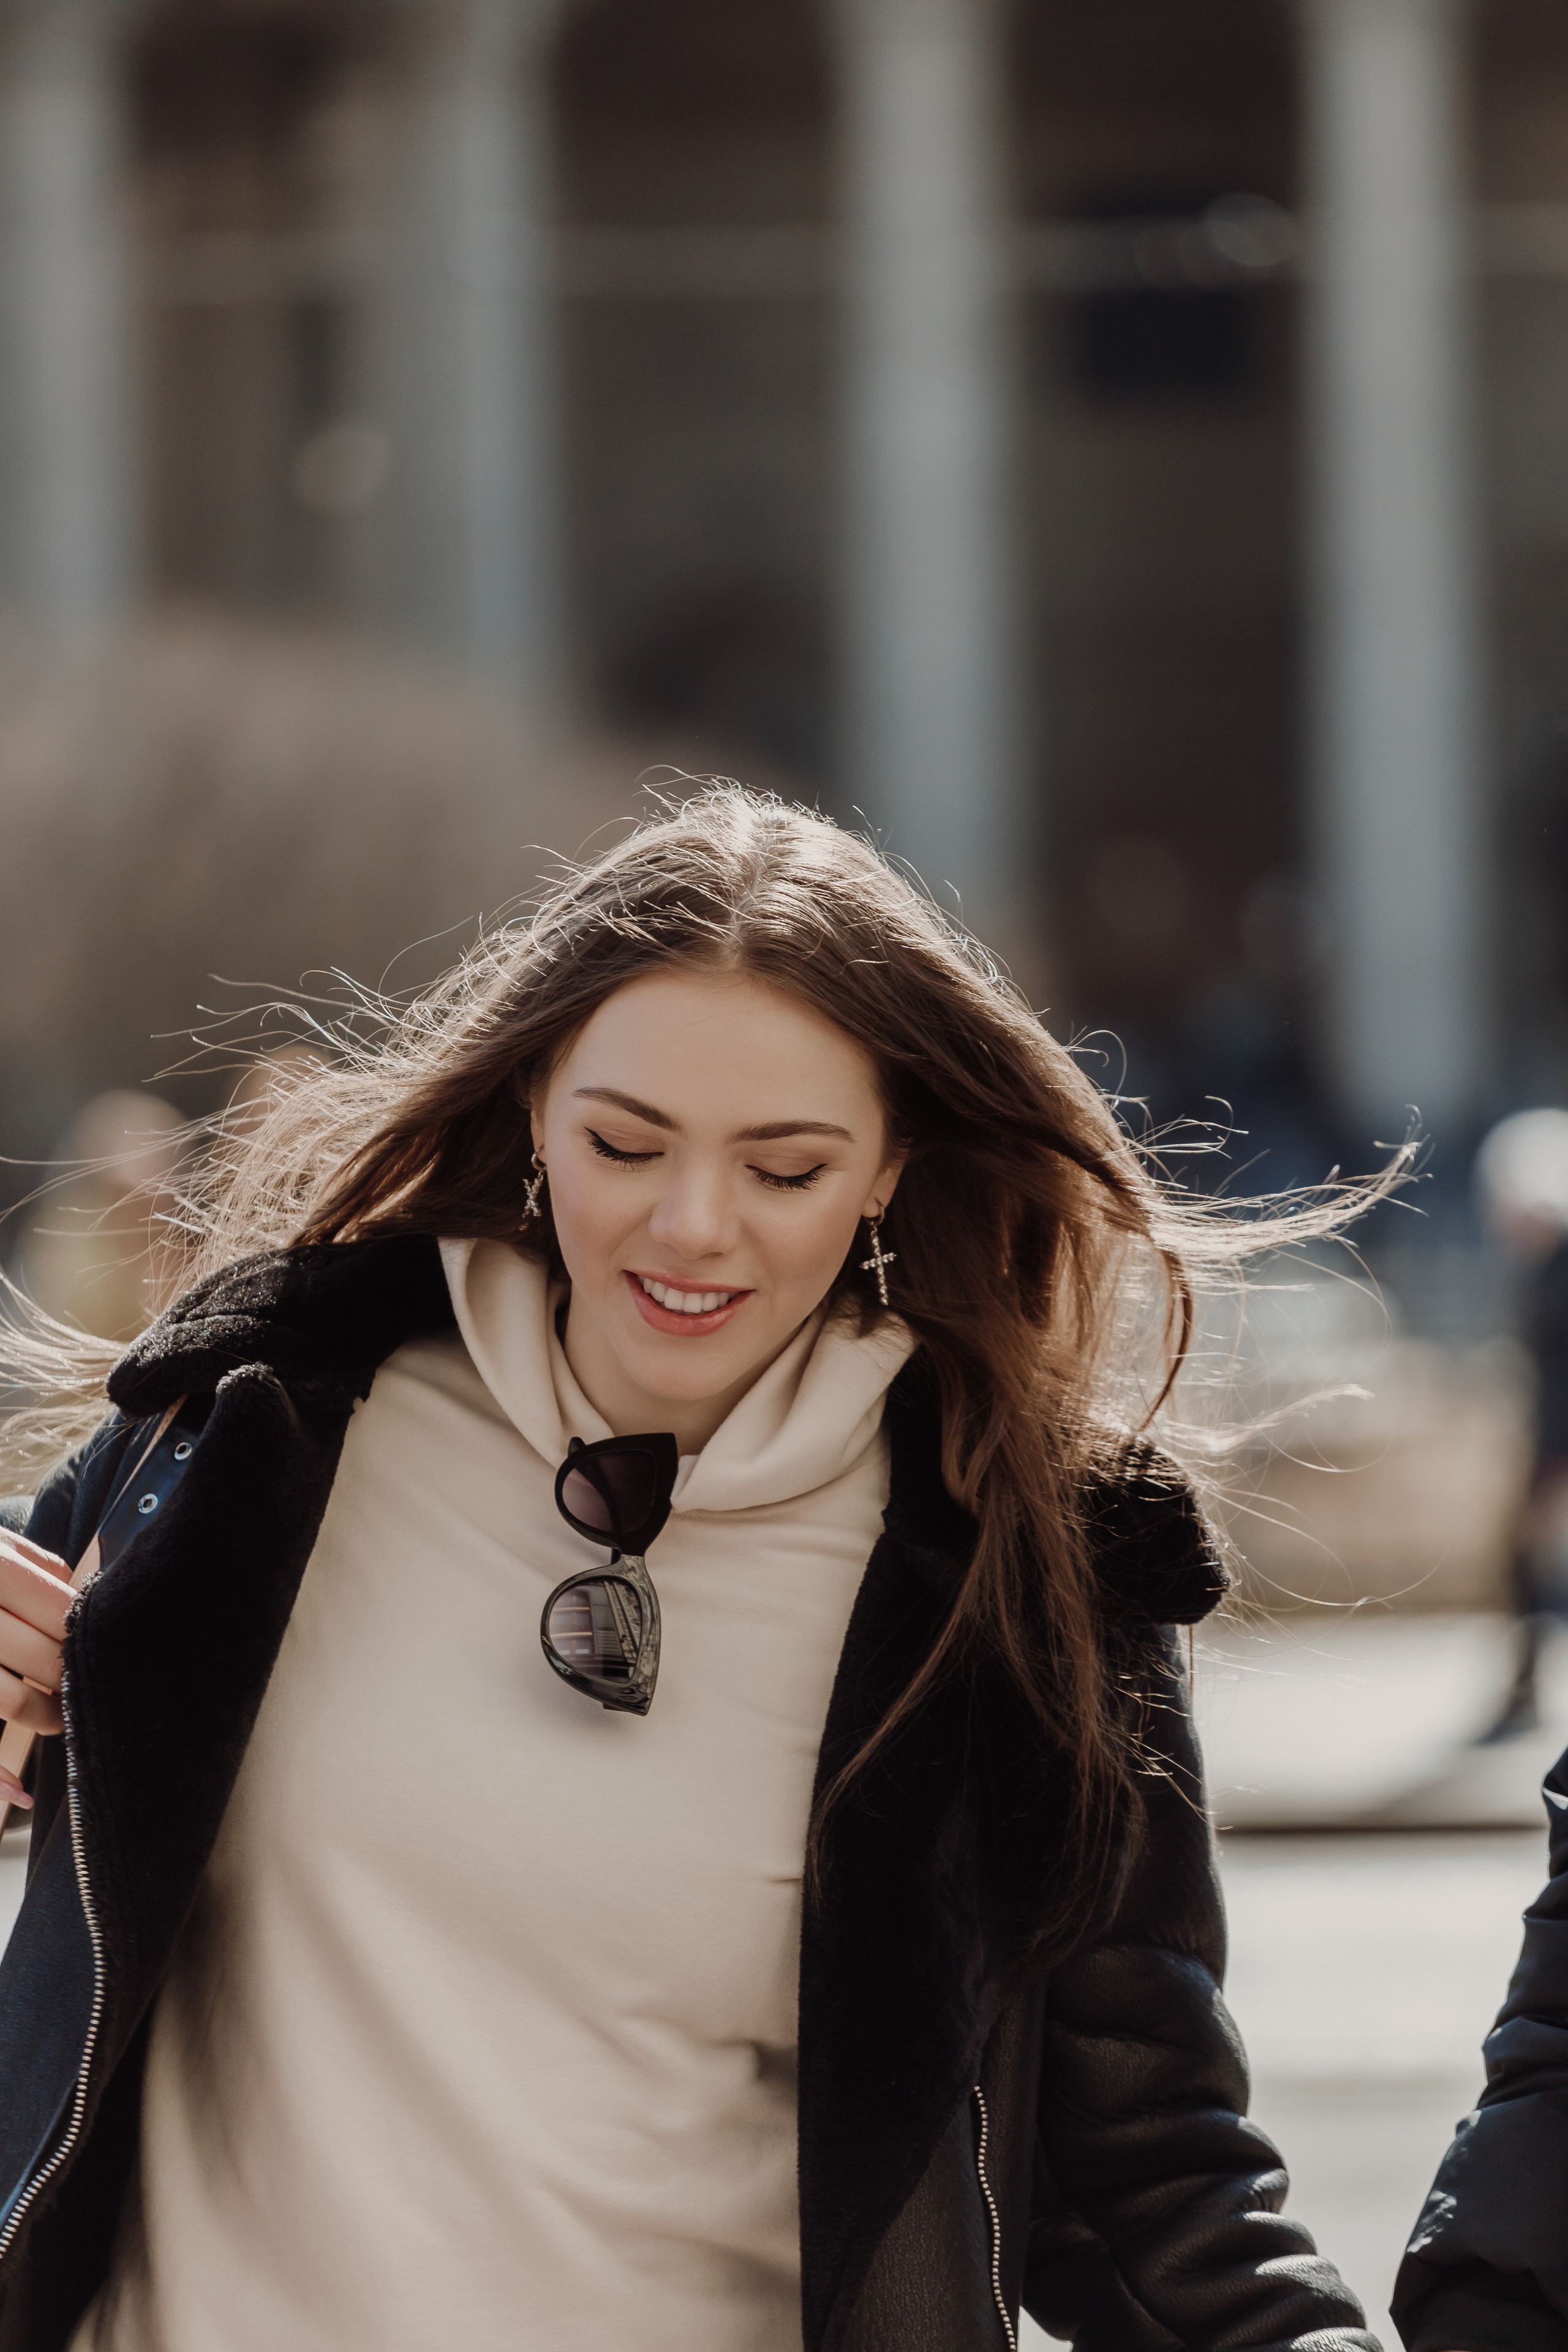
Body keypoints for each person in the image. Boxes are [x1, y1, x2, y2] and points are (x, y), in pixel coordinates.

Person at [0, 789, 1384, 2352]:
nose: (692, 1223)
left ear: (885, 1168)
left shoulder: (1023, 1583)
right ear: (532, 1104)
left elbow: (1148, 2179)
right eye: (623, 1141)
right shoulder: (240, 1438)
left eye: (784, 1166)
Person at [1471, 1107, 1568, 1740]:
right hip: (1550, 1439)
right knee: (1528, 1569)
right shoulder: (1542, 1268)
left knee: (1533, 1568)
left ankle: (1524, 1688)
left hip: (1557, 1443)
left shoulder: (1556, 1272)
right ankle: (1523, 1685)